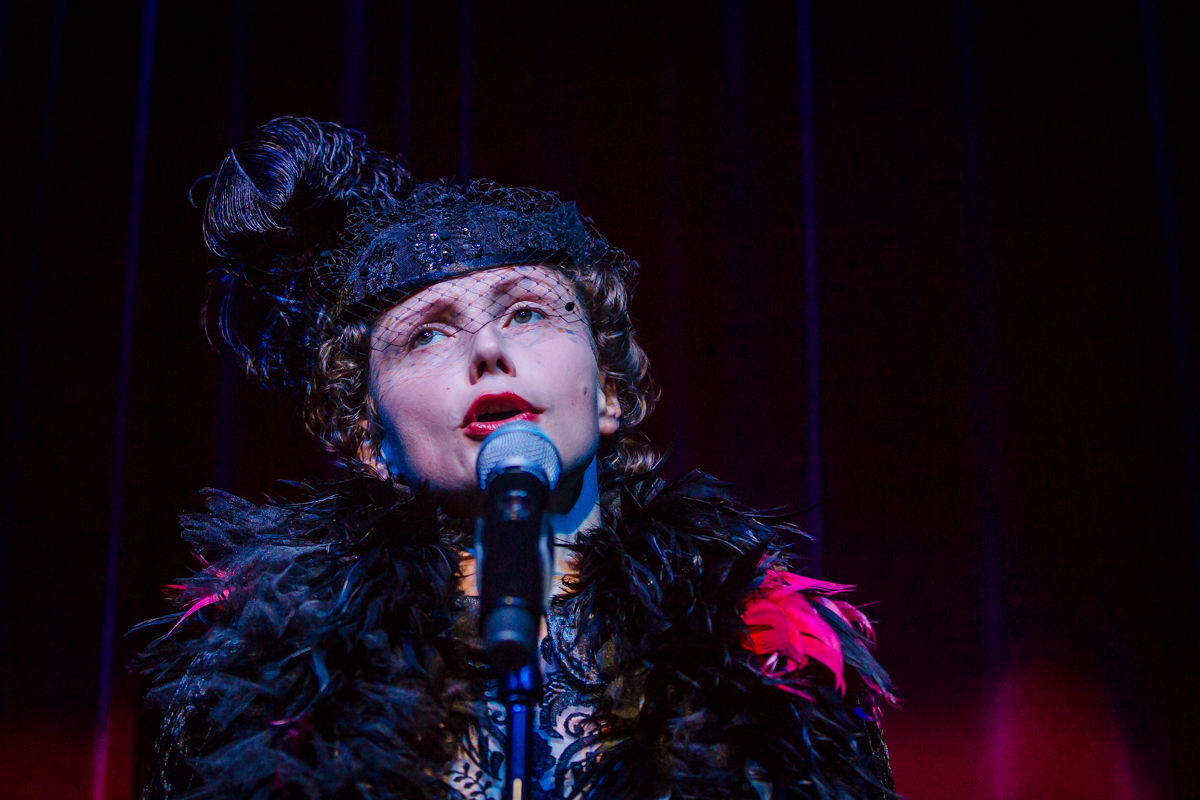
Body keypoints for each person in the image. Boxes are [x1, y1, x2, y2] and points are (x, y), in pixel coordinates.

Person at [138, 117, 896, 800]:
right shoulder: (260, 677)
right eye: (426, 334)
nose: (489, 349)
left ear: (609, 390)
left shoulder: (764, 654)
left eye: (527, 311)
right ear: (369, 438)